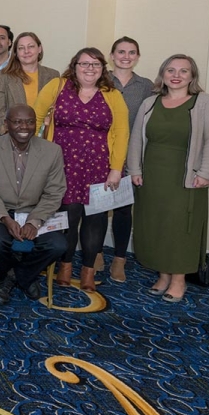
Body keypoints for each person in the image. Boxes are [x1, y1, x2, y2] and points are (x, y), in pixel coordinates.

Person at [128, 54, 209, 303]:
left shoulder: (204, 103)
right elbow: (137, 138)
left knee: (180, 228)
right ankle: (162, 275)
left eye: (183, 71)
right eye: (170, 70)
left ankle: (179, 279)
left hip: (187, 178)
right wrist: (135, 170)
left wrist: (206, 173)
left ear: (192, 76)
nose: (176, 75)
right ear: (163, 75)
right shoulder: (150, 102)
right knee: (155, 225)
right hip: (152, 176)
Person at [34, 47, 129, 292]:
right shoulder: (57, 86)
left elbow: (121, 132)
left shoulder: (113, 95)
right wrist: (34, 153)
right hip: (63, 165)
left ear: (102, 69)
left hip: (99, 167)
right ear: (74, 65)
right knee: (68, 216)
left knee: (94, 220)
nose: (90, 69)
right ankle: (65, 266)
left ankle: (87, 270)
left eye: (96, 65)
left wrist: (116, 169)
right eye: (85, 64)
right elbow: (35, 117)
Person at [0, 104, 68, 305]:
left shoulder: (52, 151)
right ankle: (25, 277)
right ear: (6, 124)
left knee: (58, 245)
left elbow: (55, 192)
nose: (24, 126)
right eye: (17, 122)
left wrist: (34, 221)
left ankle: (12, 277)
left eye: (29, 121)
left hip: (36, 211)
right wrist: (5, 218)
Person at [105, 36, 154, 282]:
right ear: (112, 55)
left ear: (137, 56)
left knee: (124, 210)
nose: (126, 56)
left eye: (131, 52)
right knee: (97, 208)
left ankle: (119, 260)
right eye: (121, 52)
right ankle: (93, 255)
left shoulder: (146, 86)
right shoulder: (100, 79)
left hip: (130, 154)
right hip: (100, 153)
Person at [0, 32, 60, 135]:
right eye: (21, 48)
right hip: (12, 137)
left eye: (31, 46)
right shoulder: (1, 77)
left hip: (44, 137)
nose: (26, 51)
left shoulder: (53, 75)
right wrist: (8, 135)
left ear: (39, 49)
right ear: (16, 53)